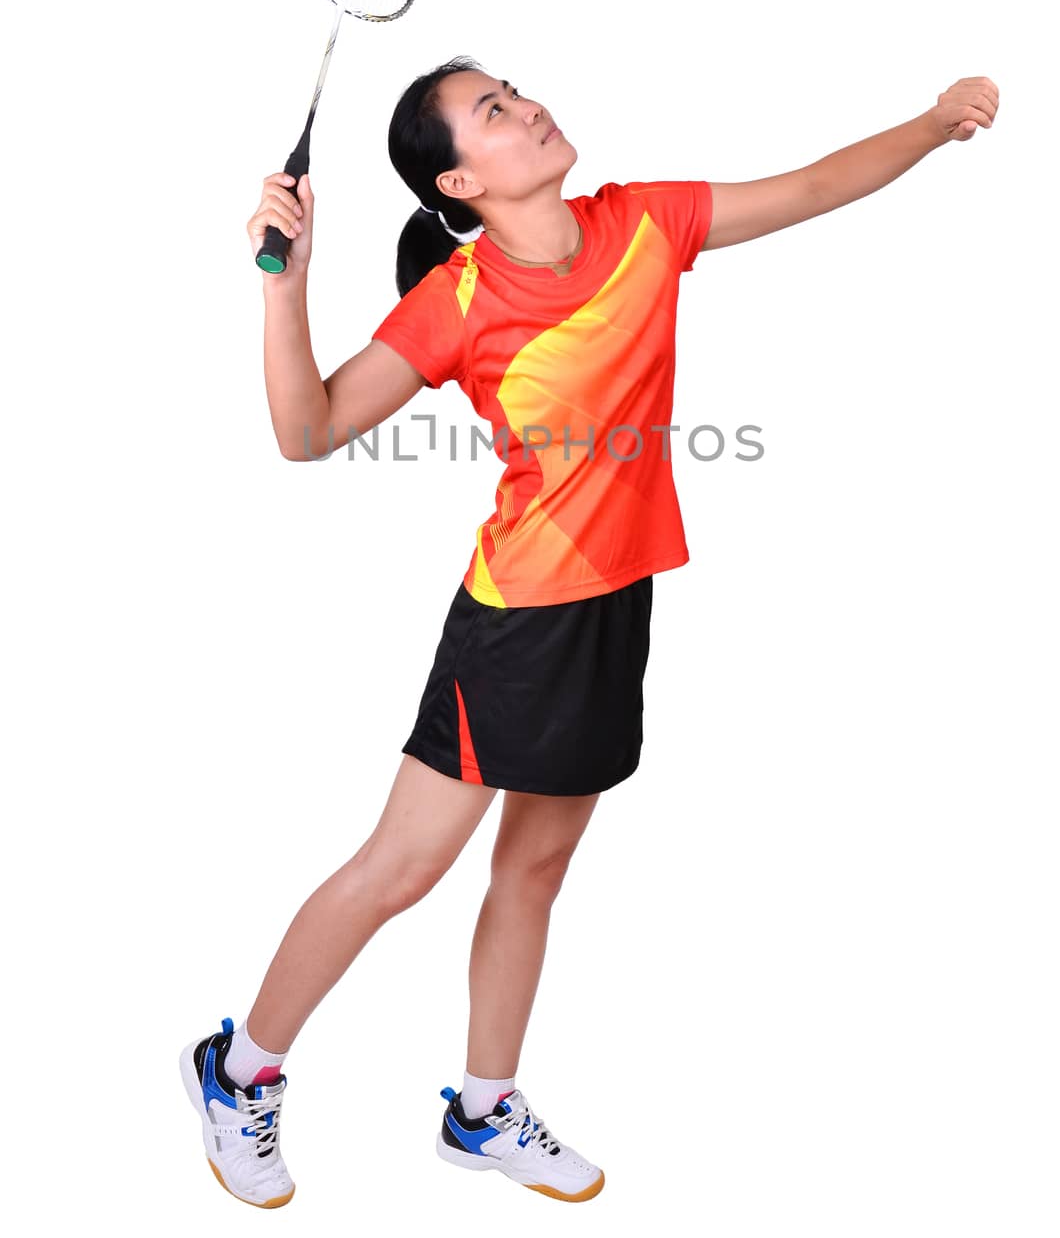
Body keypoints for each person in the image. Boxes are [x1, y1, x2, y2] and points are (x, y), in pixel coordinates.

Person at [180, 58, 998, 1207]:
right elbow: (305, 430)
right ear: (462, 178)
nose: (527, 107)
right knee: (403, 866)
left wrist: (924, 125)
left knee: (538, 865)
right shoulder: (454, 305)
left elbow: (810, 189)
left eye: (513, 88)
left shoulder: (645, 223)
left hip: (617, 602)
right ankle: (237, 1069)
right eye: (495, 113)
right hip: (514, 625)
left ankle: (482, 1106)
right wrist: (284, 286)